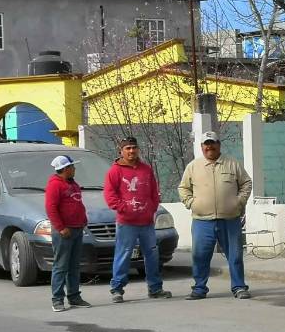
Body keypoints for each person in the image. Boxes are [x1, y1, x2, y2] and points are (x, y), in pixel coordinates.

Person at [177, 131, 253, 301]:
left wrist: (239, 202)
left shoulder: (232, 164)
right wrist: (191, 203)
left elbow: (246, 183)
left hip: (230, 220)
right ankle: (199, 288)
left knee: (234, 255)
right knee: (200, 256)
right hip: (202, 221)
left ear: (219, 145)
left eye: (212, 143)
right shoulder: (193, 166)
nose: (209, 146)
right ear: (201, 147)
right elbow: (183, 188)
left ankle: (239, 287)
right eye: (206, 144)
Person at [104, 137, 172, 302]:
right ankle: (117, 289)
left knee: (152, 255)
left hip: (146, 223)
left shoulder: (146, 170)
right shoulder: (115, 171)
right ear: (121, 151)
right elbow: (109, 195)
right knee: (123, 254)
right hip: (126, 223)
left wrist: (151, 208)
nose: (131, 151)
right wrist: (124, 209)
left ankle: (155, 288)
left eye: (134, 147)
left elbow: (154, 193)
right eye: (128, 148)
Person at [44, 154, 92, 311]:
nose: (74, 169)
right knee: (61, 265)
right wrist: (60, 227)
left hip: (77, 229)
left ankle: (74, 297)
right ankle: (57, 299)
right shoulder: (55, 185)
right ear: (65, 169)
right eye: (72, 166)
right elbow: (51, 208)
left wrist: (83, 220)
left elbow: (77, 203)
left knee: (74, 266)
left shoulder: (73, 184)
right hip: (64, 232)